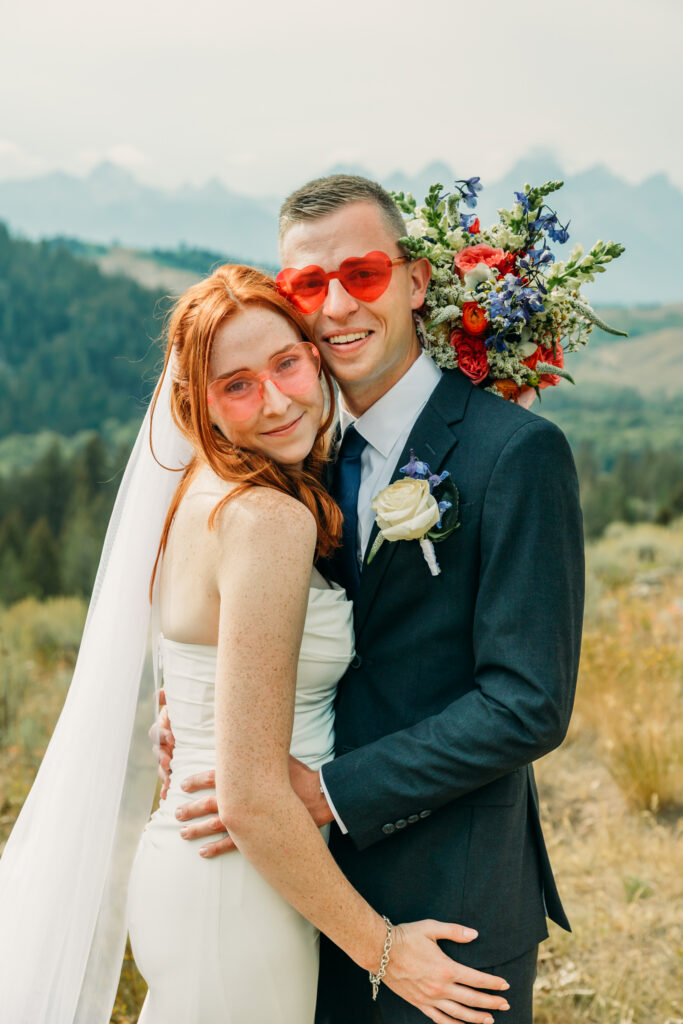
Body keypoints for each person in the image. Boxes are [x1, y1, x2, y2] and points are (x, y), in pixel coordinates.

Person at [163, 175, 585, 1024]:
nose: (333, 308)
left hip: (451, 894)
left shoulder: (515, 453)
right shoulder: (287, 458)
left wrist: (327, 790)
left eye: (360, 275)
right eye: (306, 287)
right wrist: (192, 710)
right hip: (294, 891)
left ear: (415, 281)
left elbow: (528, 704)